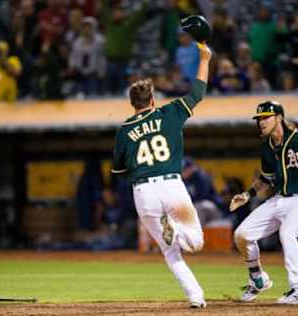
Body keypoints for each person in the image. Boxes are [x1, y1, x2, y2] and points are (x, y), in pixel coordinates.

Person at [111, 42, 212, 308]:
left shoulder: (124, 130)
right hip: (172, 187)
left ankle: (196, 297)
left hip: (144, 192)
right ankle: (176, 229)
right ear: (153, 100)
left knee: (170, 252)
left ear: (132, 103)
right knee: (197, 243)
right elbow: (198, 92)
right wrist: (205, 59)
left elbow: (119, 171)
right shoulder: (170, 112)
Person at [229, 100, 298, 304]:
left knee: (287, 234)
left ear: (279, 118)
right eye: (259, 119)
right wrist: (247, 194)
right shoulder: (267, 146)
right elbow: (266, 178)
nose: (262, 122)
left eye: (266, 117)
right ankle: (258, 279)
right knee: (242, 234)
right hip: (280, 199)